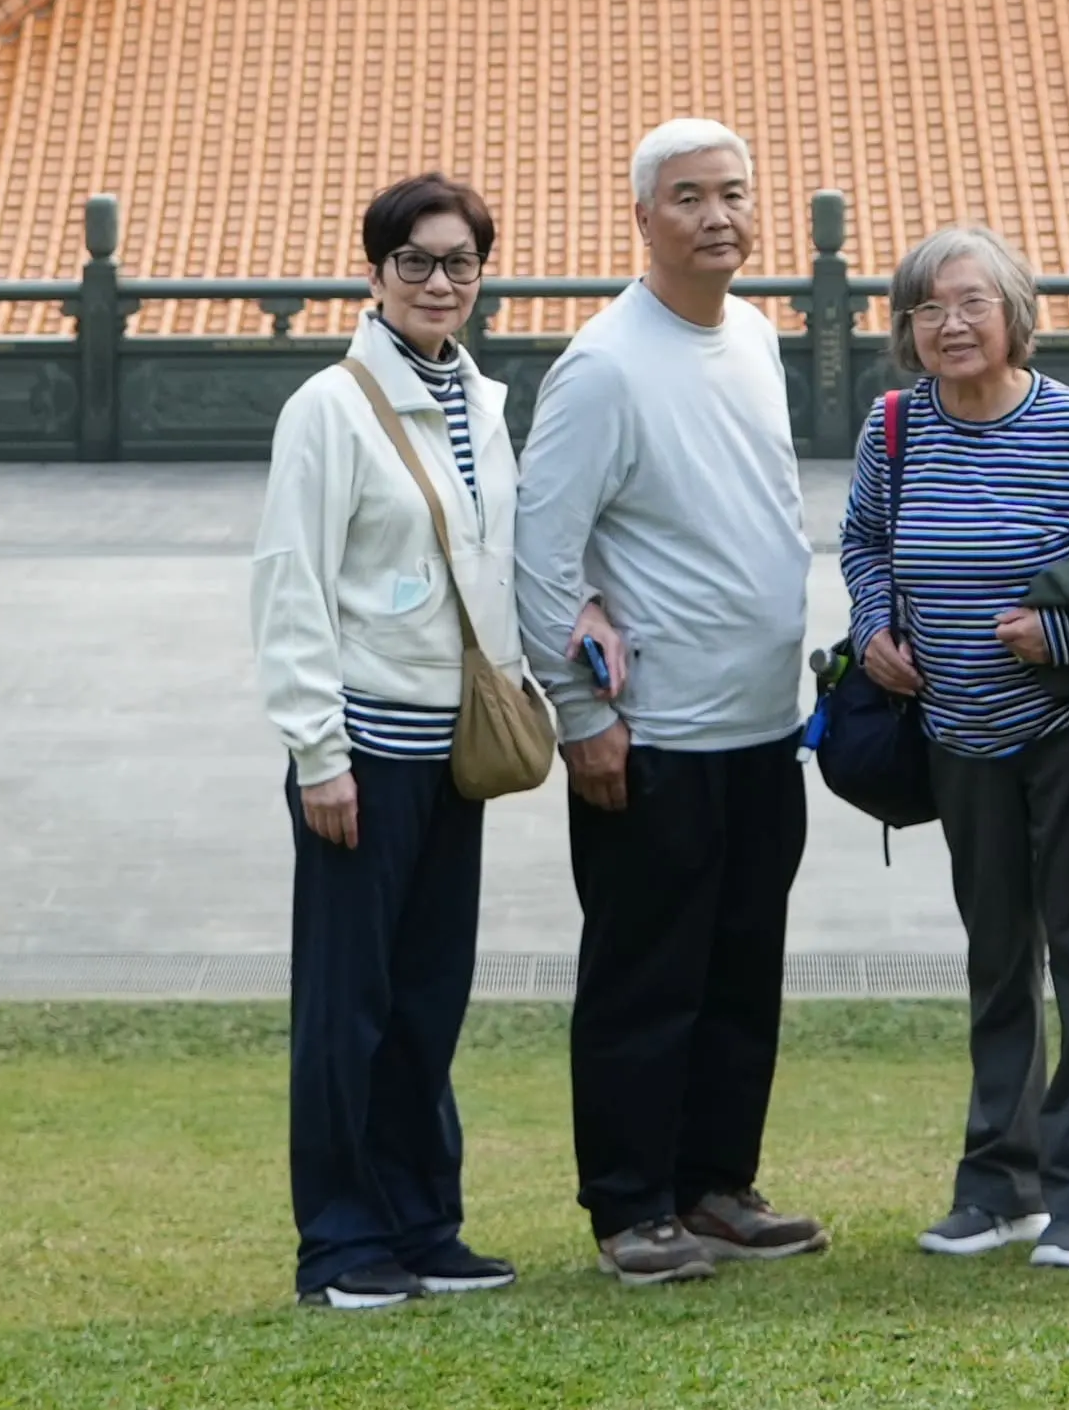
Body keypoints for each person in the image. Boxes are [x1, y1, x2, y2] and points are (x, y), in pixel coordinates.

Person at [517, 118, 831, 1286]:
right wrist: (579, 714)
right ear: (642, 215)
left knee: (743, 967)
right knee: (645, 975)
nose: (717, 216)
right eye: (689, 196)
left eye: (735, 193)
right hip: (657, 736)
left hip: (761, 724)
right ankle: (629, 1206)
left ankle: (714, 1184)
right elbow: (541, 554)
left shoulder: (750, 331)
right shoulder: (604, 365)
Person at [840, 224, 1069, 1268]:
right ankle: (998, 1181)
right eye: (926, 308)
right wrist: (871, 628)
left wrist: (1064, 636)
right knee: (997, 964)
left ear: (1013, 311)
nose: (949, 324)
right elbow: (862, 541)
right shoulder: (894, 427)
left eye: (969, 302)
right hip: (958, 738)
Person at [249, 168, 539, 1310]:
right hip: (363, 752)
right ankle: (339, 1242)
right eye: (413, 260)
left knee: (427, 998)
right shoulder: (327, 408)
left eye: (459, 262)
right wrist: (318, 750)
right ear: (373, 273)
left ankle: (425, 1223)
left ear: (481, 277)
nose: (437, 281)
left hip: (452, 748)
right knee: (347, 1008)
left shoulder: (480, 403)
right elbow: (291, 583)